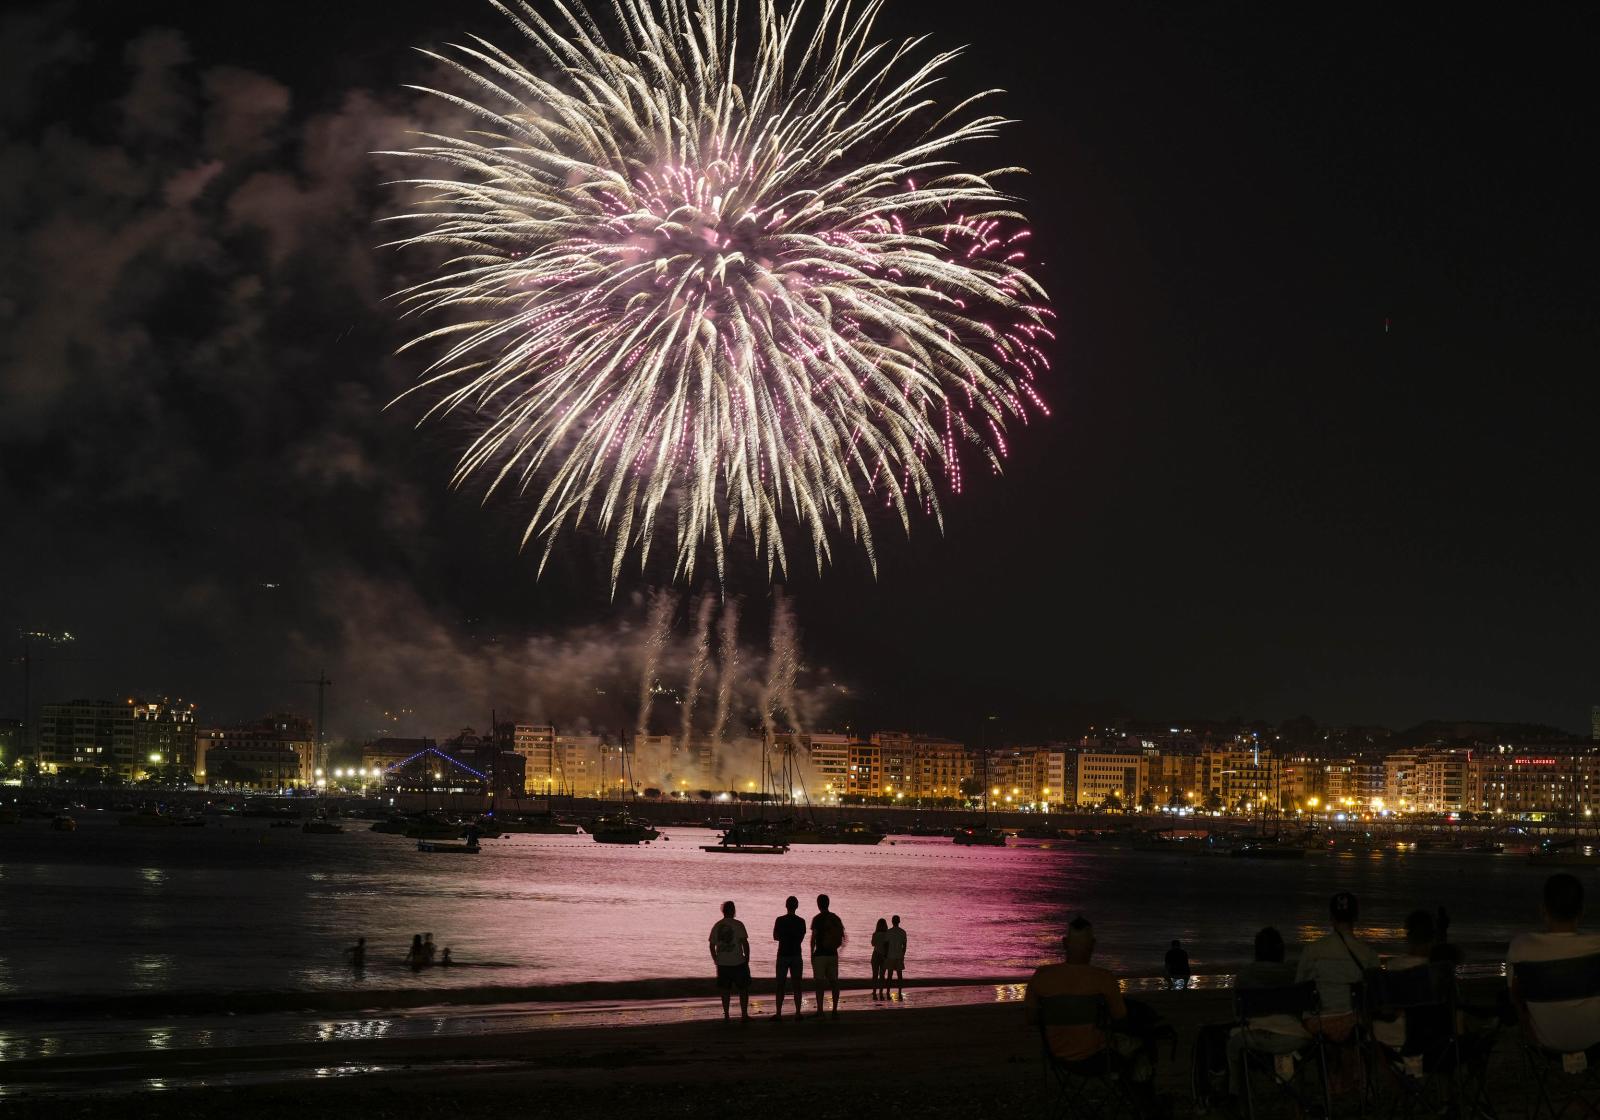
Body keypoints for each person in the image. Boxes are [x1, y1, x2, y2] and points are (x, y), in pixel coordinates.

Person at [1025, 916, 1164, 1093]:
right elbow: (1120, 1020)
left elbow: (1031, 1018)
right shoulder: (1104, 978)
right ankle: (1143, 1097)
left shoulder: (1041, 976)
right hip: (1098, 1059)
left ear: (1065, 943)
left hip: (1057, 1057)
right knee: (1144, 1043)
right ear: (1093, 944)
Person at [1508, 873, 1600, 1054]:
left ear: (1543, 910)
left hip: (1544, 1044)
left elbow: (1516, 998)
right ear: (1582, 912)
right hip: (1596, 1044)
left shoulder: (1521, 948)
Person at [1226, 926, 1312, 1094]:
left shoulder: (1245, 976)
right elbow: (1305, 1010)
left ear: (1257, 951)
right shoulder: (1295, 974)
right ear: (1281, 951)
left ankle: (1237, 1094)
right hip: (1295, 1038)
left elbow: (1238, 1015)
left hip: (1255, 1039)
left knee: (1232, 1045)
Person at [1295, 891, 1380, 1039]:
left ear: (1331, 918)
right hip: (1354, 1024)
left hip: (1319, 1024)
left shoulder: (1313, 950)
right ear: (1355, 917)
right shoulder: (1368, 954)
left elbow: (1300, 988)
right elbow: (1375, 992)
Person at [1372, 909, 1437, 1050]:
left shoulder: (1392, 966)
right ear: (1433, 937)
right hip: (1420, 1042)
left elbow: (1385, 1007)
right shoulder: (1437, 971)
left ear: (1408, 936)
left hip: (1386, 1039)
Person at [709, 900, 751, 1021]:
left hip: (723, 963)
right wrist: (747, 958)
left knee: (725, 990)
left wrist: (715, 959)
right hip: (738, 962)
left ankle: (727, 1015)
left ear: (723, 911)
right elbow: (745, 943)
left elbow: (711, 946)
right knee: (743, 989)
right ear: (733, 910)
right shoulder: (738, 924)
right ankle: (744, 1015)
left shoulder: (717, 925)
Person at [810, 894, 845, 1018]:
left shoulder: (817, 919)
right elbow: (841, 937)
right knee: (834, 982)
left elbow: (813, 939)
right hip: (833, 954)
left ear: (819, 904)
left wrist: (811, 955)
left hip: (820, 954)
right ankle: (835, 1010)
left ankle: (820, 1010)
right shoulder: (835, 918)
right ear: (828, 903)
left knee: (819, 983)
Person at [773, 896, 806, 1020]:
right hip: (796, 954)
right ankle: (797, 1012)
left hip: (782, 954)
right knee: (797, 984)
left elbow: (775, 936)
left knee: (780, 984)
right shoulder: (801, 921)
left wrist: (784, 937)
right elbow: (801, 939)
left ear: (786, 906)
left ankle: (778, 1013)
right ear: (796, 906)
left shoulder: (780, 920)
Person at [884, 915, 908, 998]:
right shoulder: (903, 932)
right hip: (899, 956)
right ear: (899, 921)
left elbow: (886, 945)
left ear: (892, 921)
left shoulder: (889, 932)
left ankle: (888, 991)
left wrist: (885, 955)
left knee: (889, 976)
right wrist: (903, 955)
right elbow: (904, 946)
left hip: (890, 956)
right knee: (899, 976)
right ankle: (900, 991)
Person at [870, 918, 890, 999]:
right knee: (882, 975)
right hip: (884, 955)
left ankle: (874, 991)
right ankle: (881, 991)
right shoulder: (887, 934)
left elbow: (873, 944)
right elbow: (888, 945)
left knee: (875, 975)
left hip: (876, 955)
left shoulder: (875, 934)